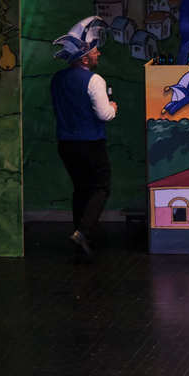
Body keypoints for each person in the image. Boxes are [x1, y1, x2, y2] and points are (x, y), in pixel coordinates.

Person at [51, 17, 117, 257]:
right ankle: (83, 232)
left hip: (66, 144)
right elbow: (104, 114)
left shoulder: (57, 79)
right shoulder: (94, 80)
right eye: (95, 51)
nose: (99, 53)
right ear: (84, 58)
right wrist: (113, 107)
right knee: (101, 187)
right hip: (90, 144)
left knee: (80, 189)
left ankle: (81, 238)